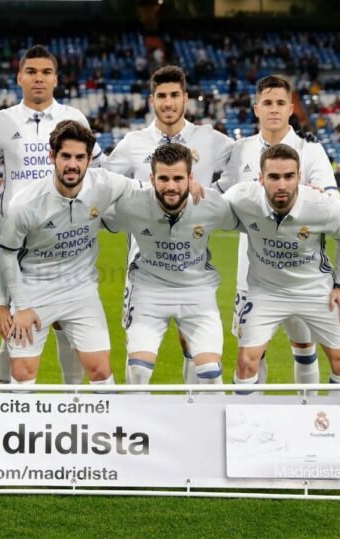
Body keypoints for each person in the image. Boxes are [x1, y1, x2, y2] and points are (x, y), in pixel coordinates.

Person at [0, 45, 104, 385]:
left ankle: (72, 397)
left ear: (56, 79)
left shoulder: (74, 118)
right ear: (19, 77)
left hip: (64, 237)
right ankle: (8, 402)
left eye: (46, 72)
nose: (38, 78)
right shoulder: (3, 121)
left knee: (67, 325)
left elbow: (97, 167)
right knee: (12, 322)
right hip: (16, 240)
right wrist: (7, 202)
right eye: (31, 72)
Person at [102, 65, 233, 384]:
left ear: (186, 98)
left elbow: (246, 163)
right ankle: (133, 424)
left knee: (193, 344)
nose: (169, 102)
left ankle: (191, 411)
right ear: (152, 100)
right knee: (139, 357)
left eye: (175, 95)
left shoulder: (209, 137)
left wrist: (216, 192)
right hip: (145, 261)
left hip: (192, 259)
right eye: (162, 96)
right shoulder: (134, 143)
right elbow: (104, 182)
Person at [214, 75, 340, 387]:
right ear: (256, 108)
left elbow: (333, 200)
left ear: (291, 108)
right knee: (252, 354)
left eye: (280, 103)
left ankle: (307, 417)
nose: (274, 109)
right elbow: (220, 200)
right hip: (253, 274)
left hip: (302, 272)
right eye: (267, 103)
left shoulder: (310, 151)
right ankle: (253, 424)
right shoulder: (240, 151)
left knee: (304, 346)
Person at [0, 119, 137, 386]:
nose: (72, 164)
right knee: (23, 372)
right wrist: (21, 306)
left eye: (79, 157)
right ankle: (15, 428)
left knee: (100, 370)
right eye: (66, 156)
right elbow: (6, 256)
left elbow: (149, 191)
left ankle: (105, 428)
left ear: (88, 160)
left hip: (81, 289)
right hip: (34, 289)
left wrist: (190, 190)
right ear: (52, 156)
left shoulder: (105, 184)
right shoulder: (25, 203)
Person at [223, 144, 340, 395]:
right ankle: (246, 429)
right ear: (260, 179)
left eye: (289, 176)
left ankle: (335, 426)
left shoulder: (323, 206)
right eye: (274, 177)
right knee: (246, 362)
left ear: (299, 177)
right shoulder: (240, 197)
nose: (282, 184)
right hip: (266, 291)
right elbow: (208, 211)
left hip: (316, 290)